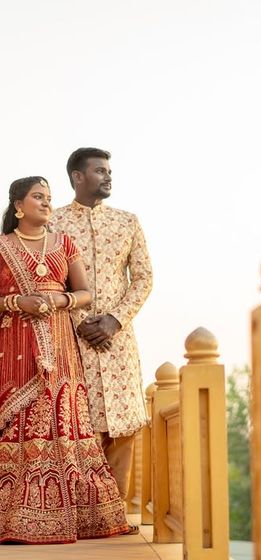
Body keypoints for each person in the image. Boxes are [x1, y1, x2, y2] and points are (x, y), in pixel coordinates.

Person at [0, 176, 129, 544]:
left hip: (59, 341)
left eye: (49, 197)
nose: (46, 203)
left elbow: (86, 293)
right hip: (14, 344)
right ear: (19, 206)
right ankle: (15, 519)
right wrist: (15, 302)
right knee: (18, 420)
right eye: (38, 197)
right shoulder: (2, 246)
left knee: (62, 414)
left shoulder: (64, 243)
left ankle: (75, 516)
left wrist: (60, 301)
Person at [50, 148, 152, 515]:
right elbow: (47, 281)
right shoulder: (54, 224)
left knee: (123, 425)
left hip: (119, 341)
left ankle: (115, 514)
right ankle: (80, 516)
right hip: (70, 339)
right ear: (78, 177)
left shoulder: (128, 222)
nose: (108, 176)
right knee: (78, 423)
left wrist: (114, 320)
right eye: (99, 170)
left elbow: (143, 278)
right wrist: (82, 324)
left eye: (109, 171)